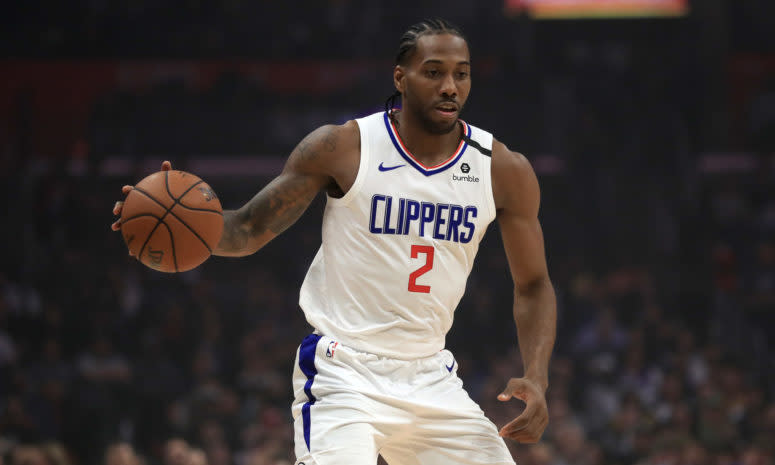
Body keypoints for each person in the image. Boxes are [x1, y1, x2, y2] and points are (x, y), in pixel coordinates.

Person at [112, 18, 556, 465]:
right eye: (434, 71)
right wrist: (175, 225)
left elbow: (534, 284)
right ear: (401, 77)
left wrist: (537, 377)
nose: (449, 86)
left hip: (430, 373)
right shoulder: (344, 147)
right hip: (344, 370)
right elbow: (246, 229)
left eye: (461, 73)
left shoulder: (502, 169)